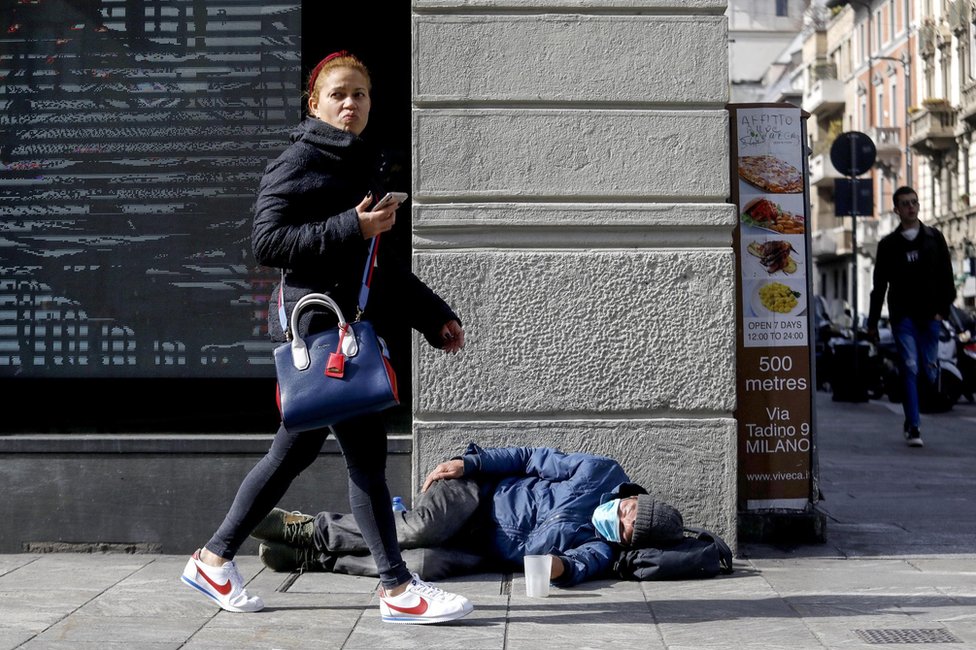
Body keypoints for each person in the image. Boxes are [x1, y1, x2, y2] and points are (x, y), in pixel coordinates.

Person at [180, 50, 472, 625]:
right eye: (338, 93)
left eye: (360, 95)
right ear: (313, 103)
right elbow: (267, 241)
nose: (350, 103)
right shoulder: (301, 159)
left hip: (343, 328)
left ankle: (214, 557)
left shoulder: (360, 165)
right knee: (365, 456)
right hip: (320, 332)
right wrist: (351, 226)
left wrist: (433, 316)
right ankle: (396, 589)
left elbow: (377, 269)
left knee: (295, 449)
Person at [248, 443, 685, 588]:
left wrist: (558, 568)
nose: (620, 521)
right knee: (420, 527)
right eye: (628, 512)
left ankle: (315, 558)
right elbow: (530, 457)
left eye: (627, 531)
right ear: (632, 497)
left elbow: (577, 567)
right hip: (478, 496)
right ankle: (305, 528)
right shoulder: (600, 472)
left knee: (420, 566)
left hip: (484, 549)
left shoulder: (603, 550)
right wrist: (470, 464)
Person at [868, 186, 956, 448]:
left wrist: (944, 310)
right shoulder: (888, 246)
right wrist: (872, 323)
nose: (911, 207)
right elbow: (879, 286)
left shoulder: (934, 238)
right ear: (896, 209)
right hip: (903, 317)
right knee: (909, 366)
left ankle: (925, 394)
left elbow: (947, 277)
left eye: (914, 202)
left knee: (928, 371)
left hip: (931, 316)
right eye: (905, 204)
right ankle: (913, 425)